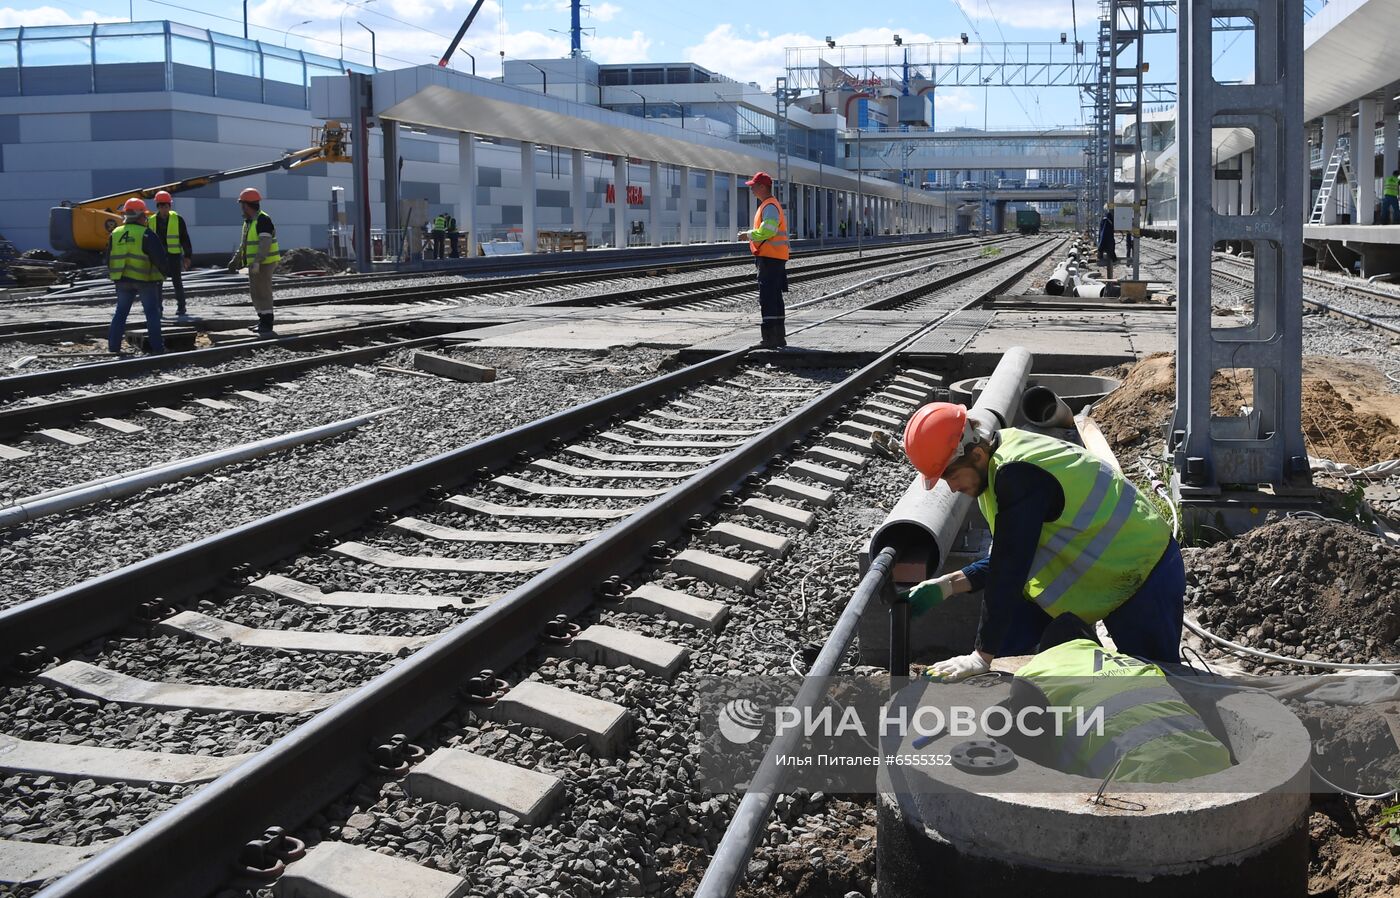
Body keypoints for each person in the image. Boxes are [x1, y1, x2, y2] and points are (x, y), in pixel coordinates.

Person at [900, 402, 1185, 681]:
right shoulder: (998, 460)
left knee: (1159, 682)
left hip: (1143, 573)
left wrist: (980, 657)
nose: (951, 488)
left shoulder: (1016, 475)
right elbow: (1015, 552)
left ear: (975, 455)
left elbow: (1011, 566)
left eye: (950, 475)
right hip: (1106, 571)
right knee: (1010, 646)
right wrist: (948, 585)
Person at [1003, 613, 1232, 784]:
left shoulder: (1035, 672)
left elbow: (1028, 758)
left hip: (1137, 791)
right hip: (1221, 773)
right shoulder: (1134, 663)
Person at [107, 197, 172, 355]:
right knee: (152, 312)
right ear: (140, 216)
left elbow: (108, 257)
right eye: (145, 216)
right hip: (144, 280)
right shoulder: (146, 234)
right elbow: (159, 257)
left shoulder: (115, 233)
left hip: (122, 280)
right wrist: (166, 272)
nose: (146, 218)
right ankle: (158, 348)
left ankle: (113, 347)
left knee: (120, 312)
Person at [736, 171, 790, 349]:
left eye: (754, 186)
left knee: (767, 298)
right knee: (774, 298)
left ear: (763, 187)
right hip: (774, 257)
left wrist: (748, 235)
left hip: (770, 258)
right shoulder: (769, 205)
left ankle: (769, 339)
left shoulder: (769, 206)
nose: (751, 190)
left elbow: (769, 231)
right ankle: (778, 337)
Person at [228, 187, 281, 339]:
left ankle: (267, 322)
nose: (241, 208)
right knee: (256, 292)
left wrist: (257, 261)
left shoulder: (263, 220)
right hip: (255, 263)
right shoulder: (249, 222)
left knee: (263, 291)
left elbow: (265, 243)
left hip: (265, 262)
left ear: (246, 205)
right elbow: (244, 245)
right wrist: (236, 260)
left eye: (242, 204)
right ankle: (262, 320)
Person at [150, 190, 193, 322]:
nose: (163, 208)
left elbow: (185, 238)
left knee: (177, 282)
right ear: (157, 206)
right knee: (157, 283)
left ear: (170, 206)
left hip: (174, 256)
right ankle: (158, 308)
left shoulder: (177, 219)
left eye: (166, 205)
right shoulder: (151, 221)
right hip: (158, 257)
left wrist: (187, 256)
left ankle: (181, 307)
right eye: (161, 206)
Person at [1097, 204, 1117, 271]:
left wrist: (1100, 249)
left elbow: (1103, 235)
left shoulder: (1106, 220)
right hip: (1109, 247)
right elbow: (1105, 235)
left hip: (1107, 247)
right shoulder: (1107, 220)